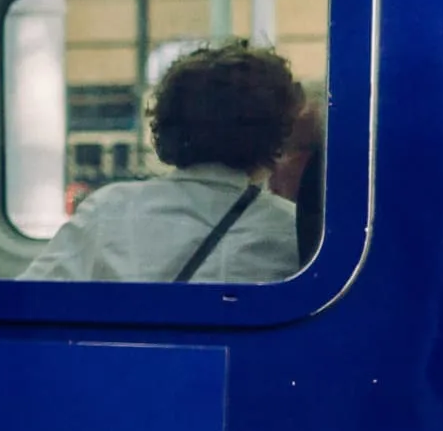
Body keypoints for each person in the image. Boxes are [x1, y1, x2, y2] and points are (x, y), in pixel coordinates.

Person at [21, 41, 303, 283]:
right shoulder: (295, 232)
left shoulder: (108, 210)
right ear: (276, 135)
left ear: (167, 125)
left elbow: (27, 302)